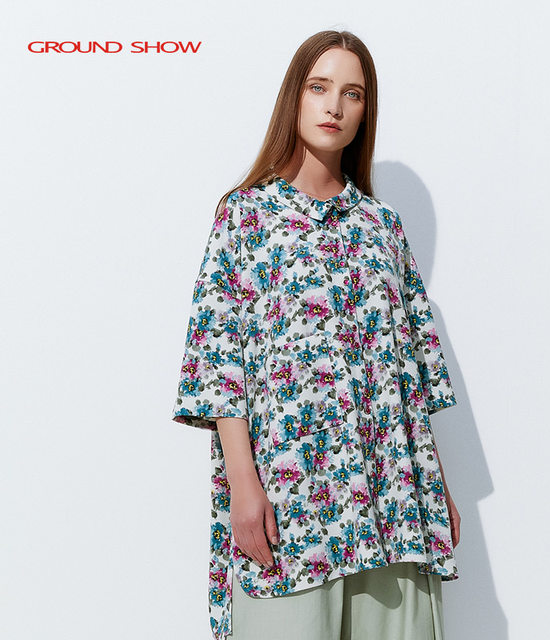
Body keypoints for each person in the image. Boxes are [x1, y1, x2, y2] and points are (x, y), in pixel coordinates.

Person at [172, 30, 461, 640]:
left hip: (392, 504)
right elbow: (217, 365)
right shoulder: (245, 216)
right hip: (292, 504)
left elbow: (412, 373)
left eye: (352, 93)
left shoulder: (383, 227)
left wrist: (435, 487)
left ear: (366, 110)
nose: (334, 106)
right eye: (319, 87)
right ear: (294, 97)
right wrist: (244, 489)